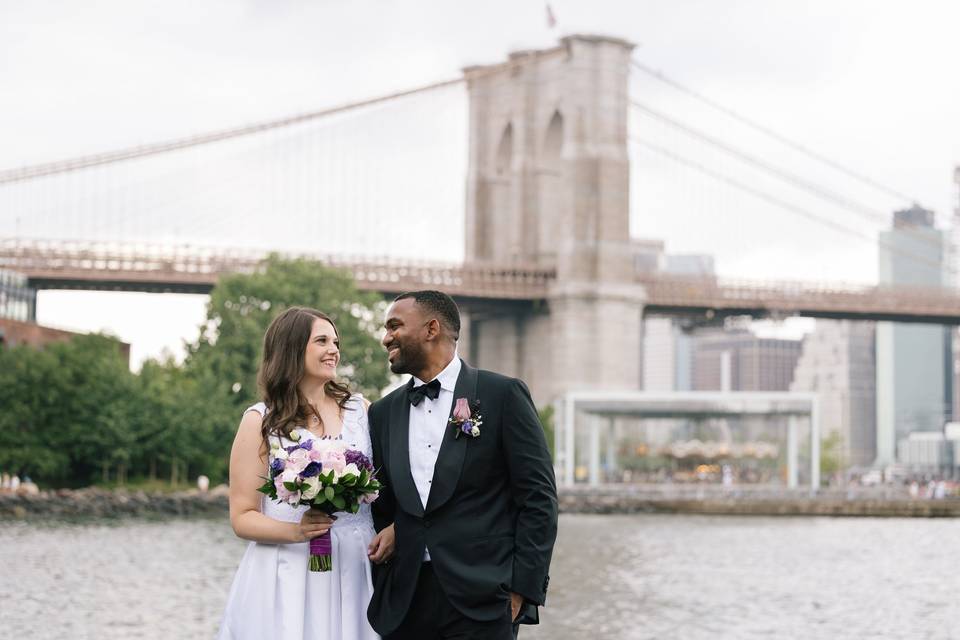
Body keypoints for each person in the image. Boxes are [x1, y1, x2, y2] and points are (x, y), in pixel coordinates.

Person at [366, 290, 558, 640]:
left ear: (431, 328)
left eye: (394, 326)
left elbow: (538, 499)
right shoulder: (382, 412)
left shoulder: (502, 395)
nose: (386, 337)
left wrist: (521, 589)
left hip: (484, 599)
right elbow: (384, 504)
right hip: (405, 601)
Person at [218, 306, 393, 640]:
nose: (334, 350)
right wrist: (297, 531)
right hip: (289, 567)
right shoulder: (260, 421)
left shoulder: (361, 411)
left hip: (355, 563)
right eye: (322, 341)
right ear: (293, 348)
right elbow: (242, 517)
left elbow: (389, 486)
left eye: (336, 342)